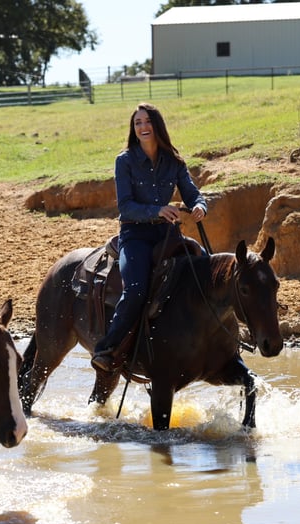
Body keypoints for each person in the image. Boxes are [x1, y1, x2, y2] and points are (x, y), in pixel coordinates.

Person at [91, 102, 207, 373]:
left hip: (168, 234)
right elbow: (125, 207)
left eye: (146, 122)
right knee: (136, 289)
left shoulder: (174, 161)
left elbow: (192, 193)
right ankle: (108, 347)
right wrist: (157, 210)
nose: (142, 127)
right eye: (137, 123)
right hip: (136, 235)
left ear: (157, 125)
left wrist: (200, 205)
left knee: (205, 268)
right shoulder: (125, 161)